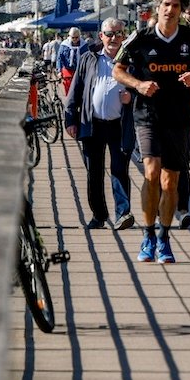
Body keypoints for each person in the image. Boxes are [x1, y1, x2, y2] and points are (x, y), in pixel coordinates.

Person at [114, 0, 190, 265]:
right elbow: (117, 69)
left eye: (176, 6)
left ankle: (164, 237)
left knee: (170, 182)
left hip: (179, 116)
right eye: (166, 5)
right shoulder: (141, 37)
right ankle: (147, 235)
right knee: (151, 171)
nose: (170, 10)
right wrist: (139, 84)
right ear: (158, 7)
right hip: (147, 114)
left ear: (183, 11)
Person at [63, 17, 136, 231]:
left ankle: (123, 214)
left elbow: (144, 89)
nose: (113, 38)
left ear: (124, 36)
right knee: (93, 172)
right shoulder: (89, 58)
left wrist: (131, 97)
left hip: (120, 124)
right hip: (91, 123)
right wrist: (70, 119)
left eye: (118, 34)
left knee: (119, 169)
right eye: (109, 34)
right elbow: (75, 91)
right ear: (101, 36)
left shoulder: (132, 61)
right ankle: (99, 215)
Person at [55, 27, 86, 97]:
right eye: (73, 37)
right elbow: (59, 58)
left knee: (79, 91)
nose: (75, 39)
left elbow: (87, 59)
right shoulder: (64, 45)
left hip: (80, 71)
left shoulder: (84, 45)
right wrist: (59, 71)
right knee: (68, 92)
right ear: (69, 36)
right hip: (67, 71)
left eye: (76, 37)